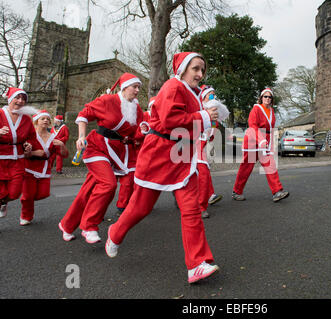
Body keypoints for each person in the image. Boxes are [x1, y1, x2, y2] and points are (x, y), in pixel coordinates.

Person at [105, 52, 220, 284]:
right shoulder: (173, 86)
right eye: (196, 68)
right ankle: (115, 233)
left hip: (182, 156)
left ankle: (196, 264)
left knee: (191, 209)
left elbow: (187, 123)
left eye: (202, 70)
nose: (200, 74)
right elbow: (170, 120)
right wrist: (205, 117)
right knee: (141, 207)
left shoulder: (192, 93)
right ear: (183, 69)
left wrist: (207, 120)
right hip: (159, 154)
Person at [58, 72, 144, 243]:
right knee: (108, 184)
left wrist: (140, 134)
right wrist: (81, 136)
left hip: (118, 151)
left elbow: (137, 132)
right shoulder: (107, 100)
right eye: (134, 87)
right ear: (124, 87)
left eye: (139, 87)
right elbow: (84, 115)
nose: (137, 91)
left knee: (88, 190)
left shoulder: (137, 109)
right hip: (98, 146)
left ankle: (67, 224)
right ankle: (89, 226)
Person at [232, 88, 289, 202]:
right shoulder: (256, 109)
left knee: (270, 164)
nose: (268, 99)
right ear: (261, 98)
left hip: (265, 141)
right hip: (253, 140)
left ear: (272, 99)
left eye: (270, 97)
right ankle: (236, 191)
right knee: (246, 167)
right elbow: (253, 126)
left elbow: (271, 129)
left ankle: (277, 191)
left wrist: (270, 143)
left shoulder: (272, 111)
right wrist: (261, 140)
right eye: (265, 96)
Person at [20, 110, 68, 225]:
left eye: (48, 119)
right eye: (43, 119)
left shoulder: (53, 137)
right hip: (29, 169)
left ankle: (29, 199)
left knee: (44, 194)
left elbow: (64, 154)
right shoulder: (29, 136)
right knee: (27, 196)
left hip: (45, 169)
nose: (46, 120)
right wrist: (34, 153)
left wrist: (62, 145)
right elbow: (21, 154)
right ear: (36, 122)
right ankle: (26, 216)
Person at [0, 87, 37, 218]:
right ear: (10, 98)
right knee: (1, 191)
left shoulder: (26, 119)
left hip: (18, 159)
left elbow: (32, 136)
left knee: (15, 192)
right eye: (17, 97)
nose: (20, 101)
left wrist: (29, 145)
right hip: (1, 159)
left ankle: (3, 202)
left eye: (23, 99)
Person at [197, 85, 227, 218]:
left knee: (203, 172)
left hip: (201, 147)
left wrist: (212, 134)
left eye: (214, 95)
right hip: (189, 145)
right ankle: (200, 206)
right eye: (210, 95)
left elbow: (213, 127)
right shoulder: (197, 108)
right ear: (203, 97)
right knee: (201, 173)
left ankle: (208, 196)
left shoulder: (212, 112)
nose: (213, 98)